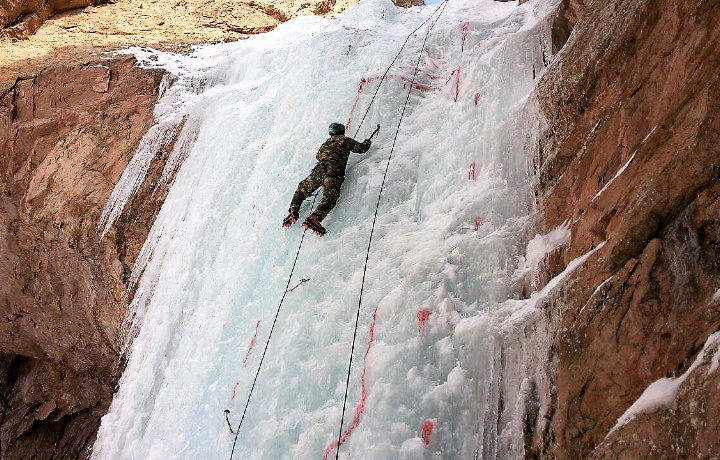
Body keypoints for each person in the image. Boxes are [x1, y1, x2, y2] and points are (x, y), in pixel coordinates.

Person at [283, 122, 372, 236]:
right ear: (342, 131)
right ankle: (315, 217)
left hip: (319, 171)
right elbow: (361, 148)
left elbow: (318, 156)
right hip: (333, 172)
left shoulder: (325, 144)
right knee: (329, 198)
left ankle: (293, 211)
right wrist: (367, 142)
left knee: (301, 190)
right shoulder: (345, 140)